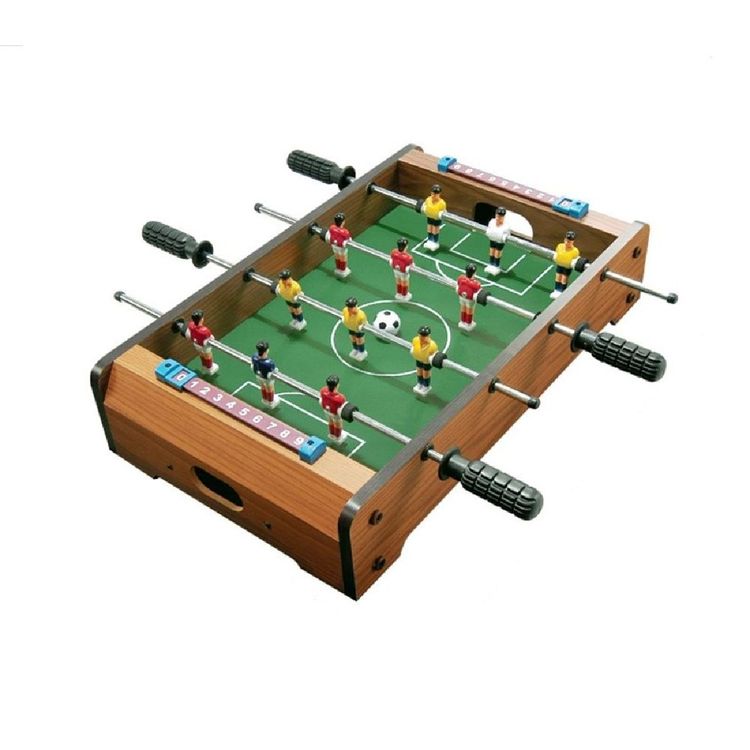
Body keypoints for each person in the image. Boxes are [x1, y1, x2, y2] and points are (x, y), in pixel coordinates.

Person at [185, 309, 219, 375]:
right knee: (208, 355)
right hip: (204, 346)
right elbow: (211, 338)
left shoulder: (191, 324)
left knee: (201, 354)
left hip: (196, 344)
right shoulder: (205, 330)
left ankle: (204, 366)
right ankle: (210, 368)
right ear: (201, 319)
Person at [551, 230, 581, 299]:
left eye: (570, 242)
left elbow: (575, 259)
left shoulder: (575, 250)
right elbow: (557, 253)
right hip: (560, 264)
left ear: (573, 242)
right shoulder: (560, 246)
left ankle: (562, 291)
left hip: (567, 267)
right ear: (564, 240)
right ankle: (556, 290)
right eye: (567, 241)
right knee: (558, 277)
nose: (568, 243)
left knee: (564, 278)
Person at [410, 325, 439, 395]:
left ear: (428, 336)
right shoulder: (415, 340)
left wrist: (432, 358)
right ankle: (419, 383)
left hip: (426, 361)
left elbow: (435, 354)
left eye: (424, 335)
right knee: (419, 371)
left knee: (426, 373)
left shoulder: (432, 345)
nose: (422, 337)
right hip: (418, 358)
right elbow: (413, 346)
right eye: (421, 335)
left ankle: (426, 386)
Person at [319, 374, 347, 444]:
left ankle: (331, 434)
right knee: (338, 424)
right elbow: (342, 406)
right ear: (337, 385)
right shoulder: (340, 398)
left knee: (330, 421)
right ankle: (338, 437)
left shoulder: (323, 390)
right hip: (335, 414)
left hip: (326, 410)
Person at [251, 340, 279, 409]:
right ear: (266, 351)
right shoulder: (269, 363)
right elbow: (275, 371)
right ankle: (271, 402)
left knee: (262, 386)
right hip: (266, 378)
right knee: (270, 388)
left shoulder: (254, 356)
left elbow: (253, 364)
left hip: (258, 375)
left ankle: (264, 399)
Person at [485, 206, 511, 275]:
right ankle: (491, 263)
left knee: (497, 252)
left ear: (503, 217)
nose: (498, 218)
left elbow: (507, 235)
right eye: (497, 216)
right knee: (492, 250)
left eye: (500, 217)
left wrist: (503, 238)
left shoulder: (506, 226)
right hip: (492, 239)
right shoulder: (492, 222)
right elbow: (488, 229)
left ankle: (496, 265)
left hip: (499, 241)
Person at [456, 263, 482, 331]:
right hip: (470, 299)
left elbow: (458, 284)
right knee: (469, 310)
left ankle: (462, 321)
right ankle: (468, 323)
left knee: (463, 308)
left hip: (461, 297)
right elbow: (478, 290)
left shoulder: (461, 278)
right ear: (474, 273)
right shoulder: (476, 284)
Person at [327, 212, 352, 277]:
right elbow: (349, 239)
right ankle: (343, 270)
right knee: (343, 258)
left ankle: (338, 268)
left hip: (334, 245)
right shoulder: (345, 232)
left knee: (337, 256)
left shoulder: (332, 227)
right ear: (342, 222)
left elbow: (330, 234)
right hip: (341, 247)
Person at [342, 297, 368, 361]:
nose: (350, 309)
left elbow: (365, 323)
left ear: (356, 306)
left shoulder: (361, 314)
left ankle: (362, 352)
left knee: (359, 340)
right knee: (353, 338)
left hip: (358, 330)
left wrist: (362, 326)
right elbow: (343, 315)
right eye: (349, 307)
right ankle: (355, 349)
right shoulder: (345, 310)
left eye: (352, 307)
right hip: (351, 327)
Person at [422, 184, 446, 251]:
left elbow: (444, 212)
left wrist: (441, 214)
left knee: (435, 229)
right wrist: (424, 208)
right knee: (429, 228)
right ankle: (430, 240)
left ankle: (435, 242)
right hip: (429, 216)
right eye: (433, 193)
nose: (434, 195)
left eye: (436, 194)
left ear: (439, 194)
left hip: (436, 218)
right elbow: (425, 205)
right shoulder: (428, 199)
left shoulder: (442, 203)